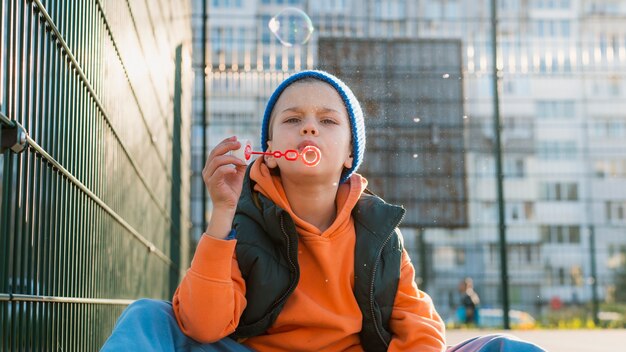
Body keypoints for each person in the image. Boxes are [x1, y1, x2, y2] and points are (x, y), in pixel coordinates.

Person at [102, 70, 546, 351]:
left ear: (350, 153)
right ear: (270, 152)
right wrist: (222, 212)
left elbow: (418, 323)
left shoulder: (379, 233)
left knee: (506, 349)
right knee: (149, 316)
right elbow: (201, 326)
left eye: (328, 120)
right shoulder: (243, 225)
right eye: (292, 120)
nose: (309, 125)